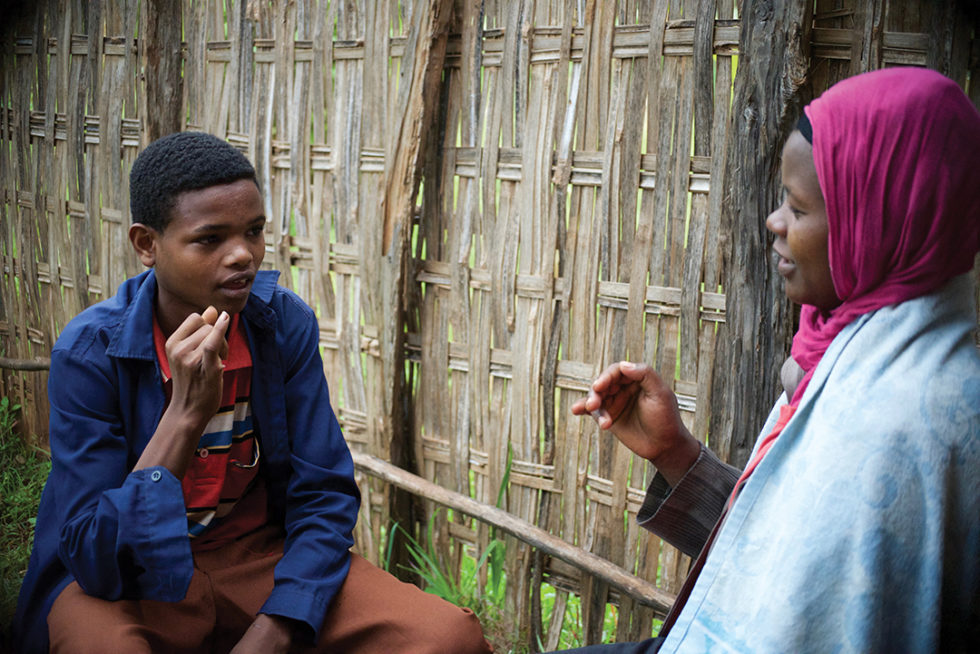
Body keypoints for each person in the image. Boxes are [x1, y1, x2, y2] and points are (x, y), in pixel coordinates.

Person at [13, 132, 492, 654]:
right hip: (130, 581)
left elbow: (324, 494)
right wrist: (183, 418)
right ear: (148, 245)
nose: (243, 254)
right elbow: (93, 553)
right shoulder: (90, 352)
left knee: (447, 637)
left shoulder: (282, 325)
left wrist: (278, 625)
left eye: (254, 231)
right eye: (210, 239)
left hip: (256, 557)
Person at [561, 67, 980, 653]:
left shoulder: (902, 420)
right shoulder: (847, 357)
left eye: (800, 207)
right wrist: (677, 455)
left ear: (878, 222)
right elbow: (788, 576)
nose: (775, 222)